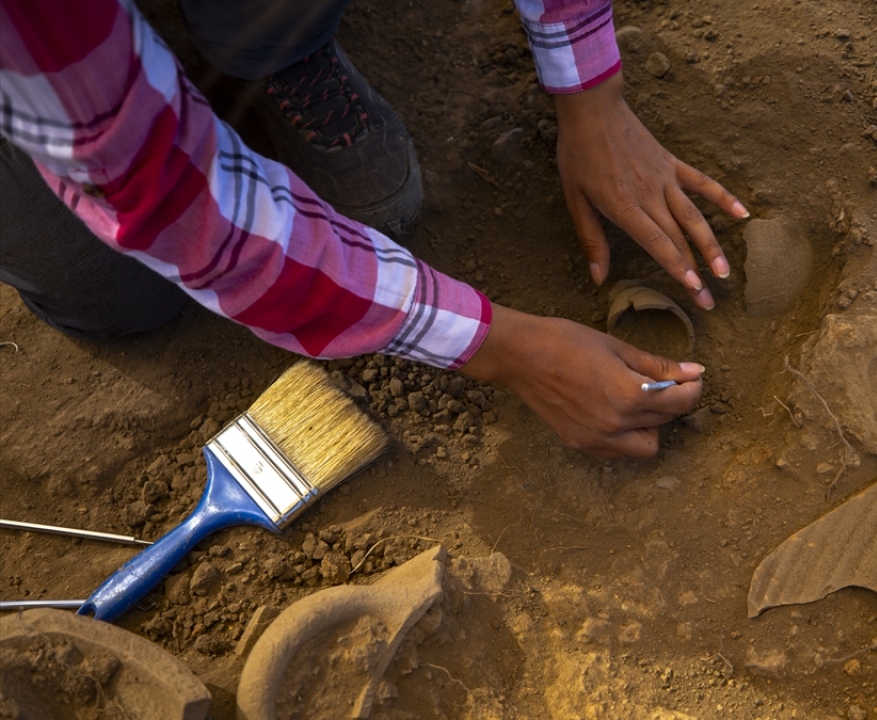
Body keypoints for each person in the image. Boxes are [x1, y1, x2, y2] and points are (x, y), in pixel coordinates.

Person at [0, 0, 748, 458]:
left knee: (377, 210)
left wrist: (591, 93)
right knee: (118, 293)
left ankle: (266, 48)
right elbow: (175, 207)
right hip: (37, 59)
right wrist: (513, 349)